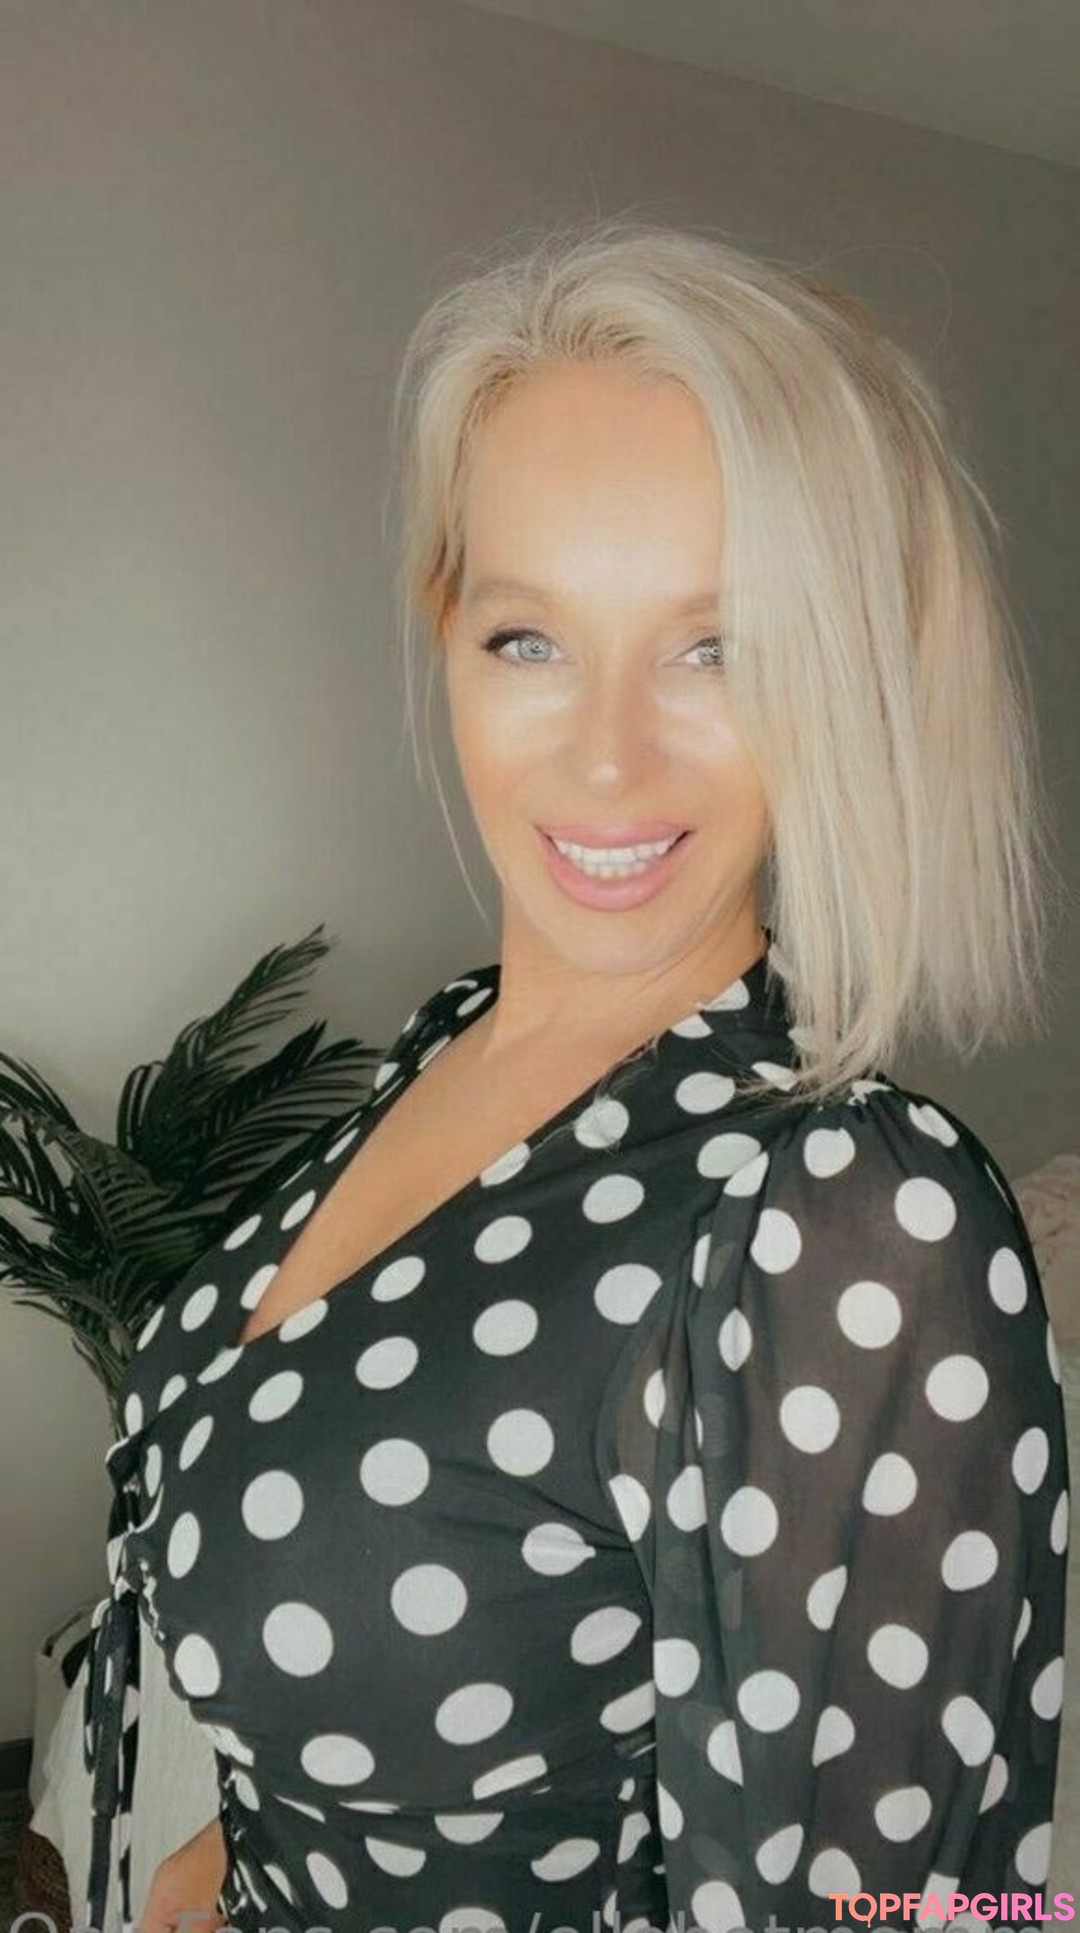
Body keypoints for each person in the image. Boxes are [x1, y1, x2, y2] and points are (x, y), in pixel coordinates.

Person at [83, 217, 1068, 1933]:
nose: (608, 757)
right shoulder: (450, 1044)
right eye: (530, 639)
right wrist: (234, 1856)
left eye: (719, 647)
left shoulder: (844, 1212)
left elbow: (912, 1921)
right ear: (446, 629)